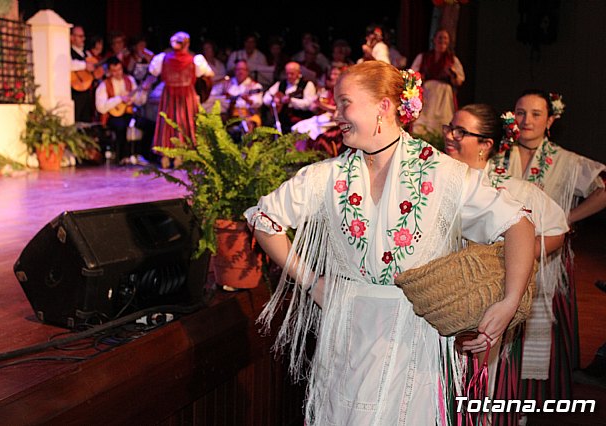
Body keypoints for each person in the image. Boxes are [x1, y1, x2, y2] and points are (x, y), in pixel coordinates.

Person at [245, 61, 536, 424]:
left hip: (414, 332)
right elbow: (264, 219)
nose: (337, 114)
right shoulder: (327, 176)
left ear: (384, 105)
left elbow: (519, 224)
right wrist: (311, 282)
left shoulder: (445, 174)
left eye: (345, 102)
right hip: (347, 331)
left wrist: (509, 302)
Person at [442, 104, 570, 425]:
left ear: (486, 144)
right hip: (441, 303)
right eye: (449, 128)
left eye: (461, 132)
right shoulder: (434, 183)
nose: (450, 137)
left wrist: (510, 261)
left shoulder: (512, 188)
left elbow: (555, 230)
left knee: (481, 389)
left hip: (489, 309)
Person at [491, 90, 606, 404]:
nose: (526, 120)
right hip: (503, 255)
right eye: (520, 112)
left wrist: (566, 219)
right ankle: (502, 393)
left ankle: (536, 397)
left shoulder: (565, 160)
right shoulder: (498, 156)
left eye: (536, 113)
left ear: (551, 119)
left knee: (539, 327)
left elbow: (602, 190)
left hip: (547, 255)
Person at [145, 31, 214, 168]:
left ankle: (165, 157)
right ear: (187, 44)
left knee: (167, 123)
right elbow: (209, 74)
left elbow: (152, 72)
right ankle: (179, 157)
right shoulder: (195, 60)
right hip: (186, 95)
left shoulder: (163, 59)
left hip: (169, 94)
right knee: (184, 122)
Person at [410, 29, 465, 136]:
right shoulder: (423, 57)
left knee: (443, 120)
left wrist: (452, 74)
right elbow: (412, 75)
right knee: (424, 121)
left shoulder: (452, 60)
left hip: (444, 95)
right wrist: (420, 77)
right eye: (440, 37)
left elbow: (459, 80)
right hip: (428, 93)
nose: (442, 40)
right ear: (434, 40)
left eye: (445, 38)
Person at [95, 57, 147, 165]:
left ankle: (142, 154)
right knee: (121, 126)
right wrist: (119, 99)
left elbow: (139, 101)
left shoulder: (130, 80)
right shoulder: (104, 85)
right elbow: (101, 107)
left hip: (129, 113)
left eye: (119, 69)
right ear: (109, 71)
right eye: (114, 71)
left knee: (148, 125)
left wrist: (143, 92)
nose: (118, 73)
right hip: (112, 116)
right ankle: (123, 157)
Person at [291, 65, 343, 155]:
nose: (332, 77)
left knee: (310, 130)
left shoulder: (343, 91)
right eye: (331, 74)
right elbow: (315, 106)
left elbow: (339, 109)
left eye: (335, 74)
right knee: (298, 127)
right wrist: (317, 105)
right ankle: (297, 155)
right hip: (326, 117)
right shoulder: (328, 91)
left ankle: (302, 156)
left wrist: (322, 105)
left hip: (337, 120)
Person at [210, 59, 263, 139]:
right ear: (234, 71)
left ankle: (247, 149)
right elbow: (212, 93)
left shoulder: (254, 86)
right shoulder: (227, 83)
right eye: (238, 69)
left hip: (247, 114)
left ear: (247, 71)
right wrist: (225, 98)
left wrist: (248, 100)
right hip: (229, 114)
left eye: (243, 69)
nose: (240, 72)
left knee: (249, 125)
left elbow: (258, 102)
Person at [262, 62, 316, 134]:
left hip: (301, 118)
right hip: (282, 118)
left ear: (298, 73)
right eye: (287, 73)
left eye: (292, 73)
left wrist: (291, 101)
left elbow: (309, 104)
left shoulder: (307, 84)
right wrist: (274, 99)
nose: (289, 76)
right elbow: (266, 98)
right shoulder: (281, 83)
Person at [70, 25, 97, 123]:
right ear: (72, 37)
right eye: (80, 36)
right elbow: (68, 65)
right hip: (76, 91)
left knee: (86, 120)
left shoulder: (87, 53)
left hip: (87, 91)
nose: (83, 39)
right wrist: (85, 65)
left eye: (83, 36)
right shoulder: (68, 51)